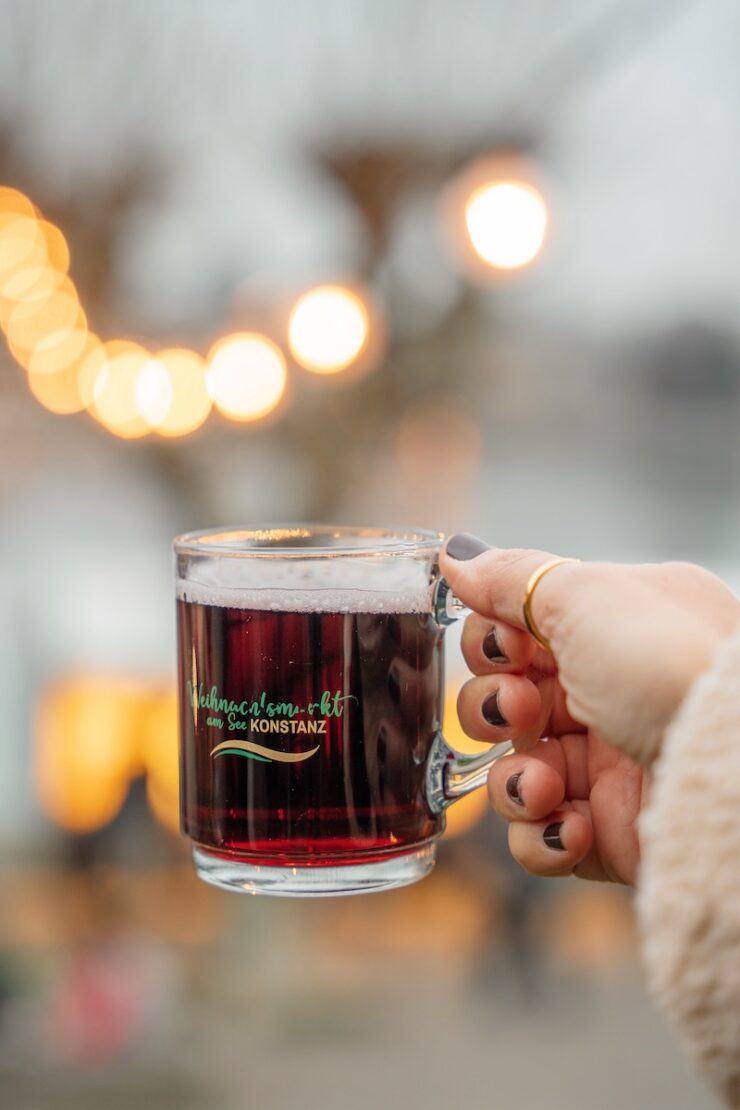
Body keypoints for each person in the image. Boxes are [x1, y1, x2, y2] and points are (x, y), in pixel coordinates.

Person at [440, 535, 740, 1109]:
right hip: (535, 870)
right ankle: (518, 993)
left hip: (528, 876)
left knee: (515, 936)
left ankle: (512, 993)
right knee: (516, 936)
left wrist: (531, 587)